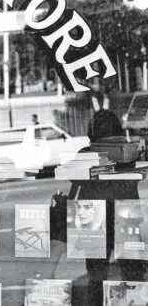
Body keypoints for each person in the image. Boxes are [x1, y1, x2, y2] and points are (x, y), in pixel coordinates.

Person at [68, 109, 145, 306]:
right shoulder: (127, 150)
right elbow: (140, 174)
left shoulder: (85, 154)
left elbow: (73, 179)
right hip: (126, 211)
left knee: (96, 275)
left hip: (94, 213)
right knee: (132, 271)